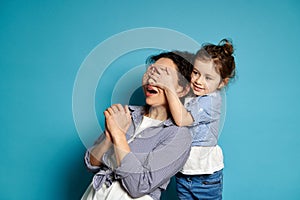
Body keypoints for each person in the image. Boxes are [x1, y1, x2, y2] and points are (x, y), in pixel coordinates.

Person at [81, 51, 194, 200]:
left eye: (163, 74)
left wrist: (119, 136)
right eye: (151, 71)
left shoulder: (179, 135)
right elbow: (91, 163)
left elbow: (139, 186)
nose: (152, 79)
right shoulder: (126, 113)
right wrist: (109, 137)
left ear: (182, 89)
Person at [148, 39, 236, 199]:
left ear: (222, 83)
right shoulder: (194, 96)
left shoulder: (211, 100)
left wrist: (168, 87)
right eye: (196, 72)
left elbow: (182, 120)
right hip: (185, 171)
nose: (198, 81)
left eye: (208, 78)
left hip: (204, 175)